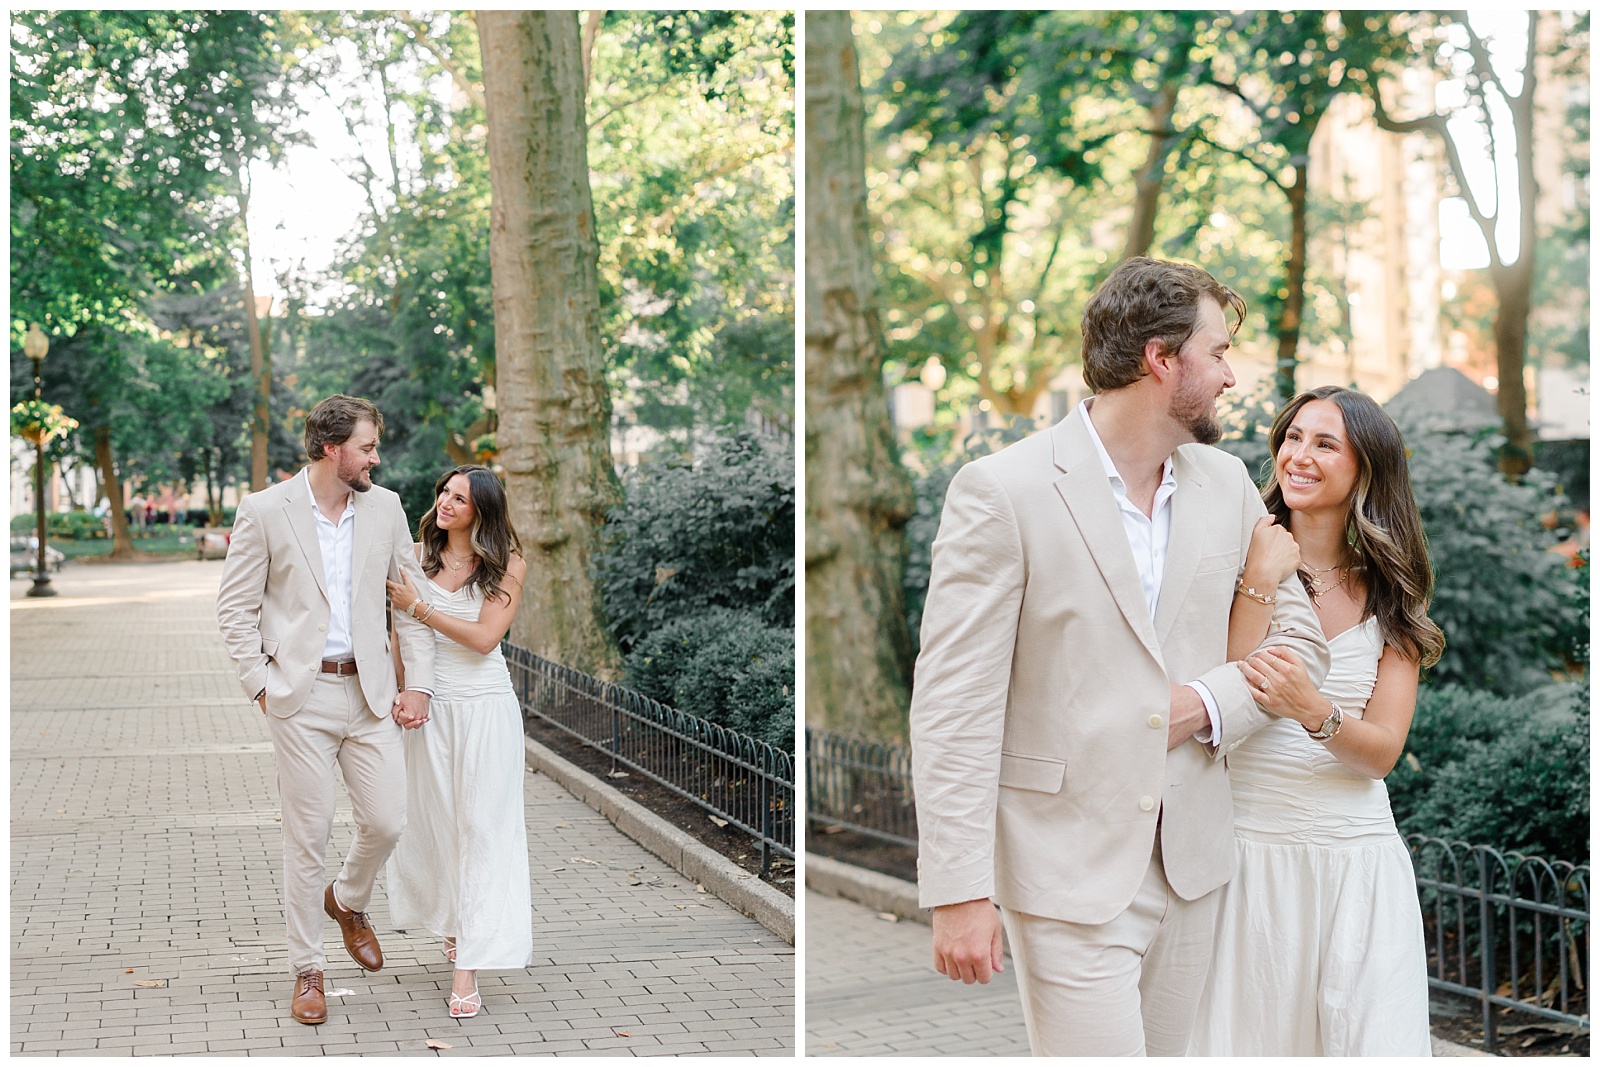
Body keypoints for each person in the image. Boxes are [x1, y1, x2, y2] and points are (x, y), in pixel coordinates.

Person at [909, 256, 1331, 1056]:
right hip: (1066, 868)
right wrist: (960, 892)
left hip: (1194, 865)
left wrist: (1207, 703)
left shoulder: (1227, 482)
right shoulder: (1004, 490)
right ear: (1161, 359)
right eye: (1216, 353)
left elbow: (1301, 639)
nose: (1231, 377)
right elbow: (954, 705)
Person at [1190, 386, 1445, 1056]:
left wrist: (1315, 710)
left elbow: (1382, 752)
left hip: (1356, 860)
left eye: (1325, 443)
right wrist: (1261, 578)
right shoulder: (1236, 559)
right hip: (1248, 859)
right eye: (1293, 436)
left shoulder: (1394, 595)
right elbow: (1226, 690)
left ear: (1366, 469)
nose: (1298, 455)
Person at [216, 394, 436, 1026]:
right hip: (300, 698)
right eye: (367, 447)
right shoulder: (265, 510)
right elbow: (235, 608)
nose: (376, 457)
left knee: (389, 820)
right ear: (331, 448)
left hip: (369, 697)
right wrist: (260, 684)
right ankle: (308, 968)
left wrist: (416, 682)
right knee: (306, 836)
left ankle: (347, 899)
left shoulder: (386, 507)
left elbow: (407, 601)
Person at [382, 464, 534, 1018]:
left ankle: (467, 965)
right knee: (439, 822)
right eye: (444, 491)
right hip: (431, 709)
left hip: (485, 709)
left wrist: (419, 606)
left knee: (481, 827)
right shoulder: (419, 559)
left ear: (482, 511)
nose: (446, 502)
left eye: (461, 498)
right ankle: (453, 921)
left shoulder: (506, 565)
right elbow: (404, 635)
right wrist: (404, 690)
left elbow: (484, 638)